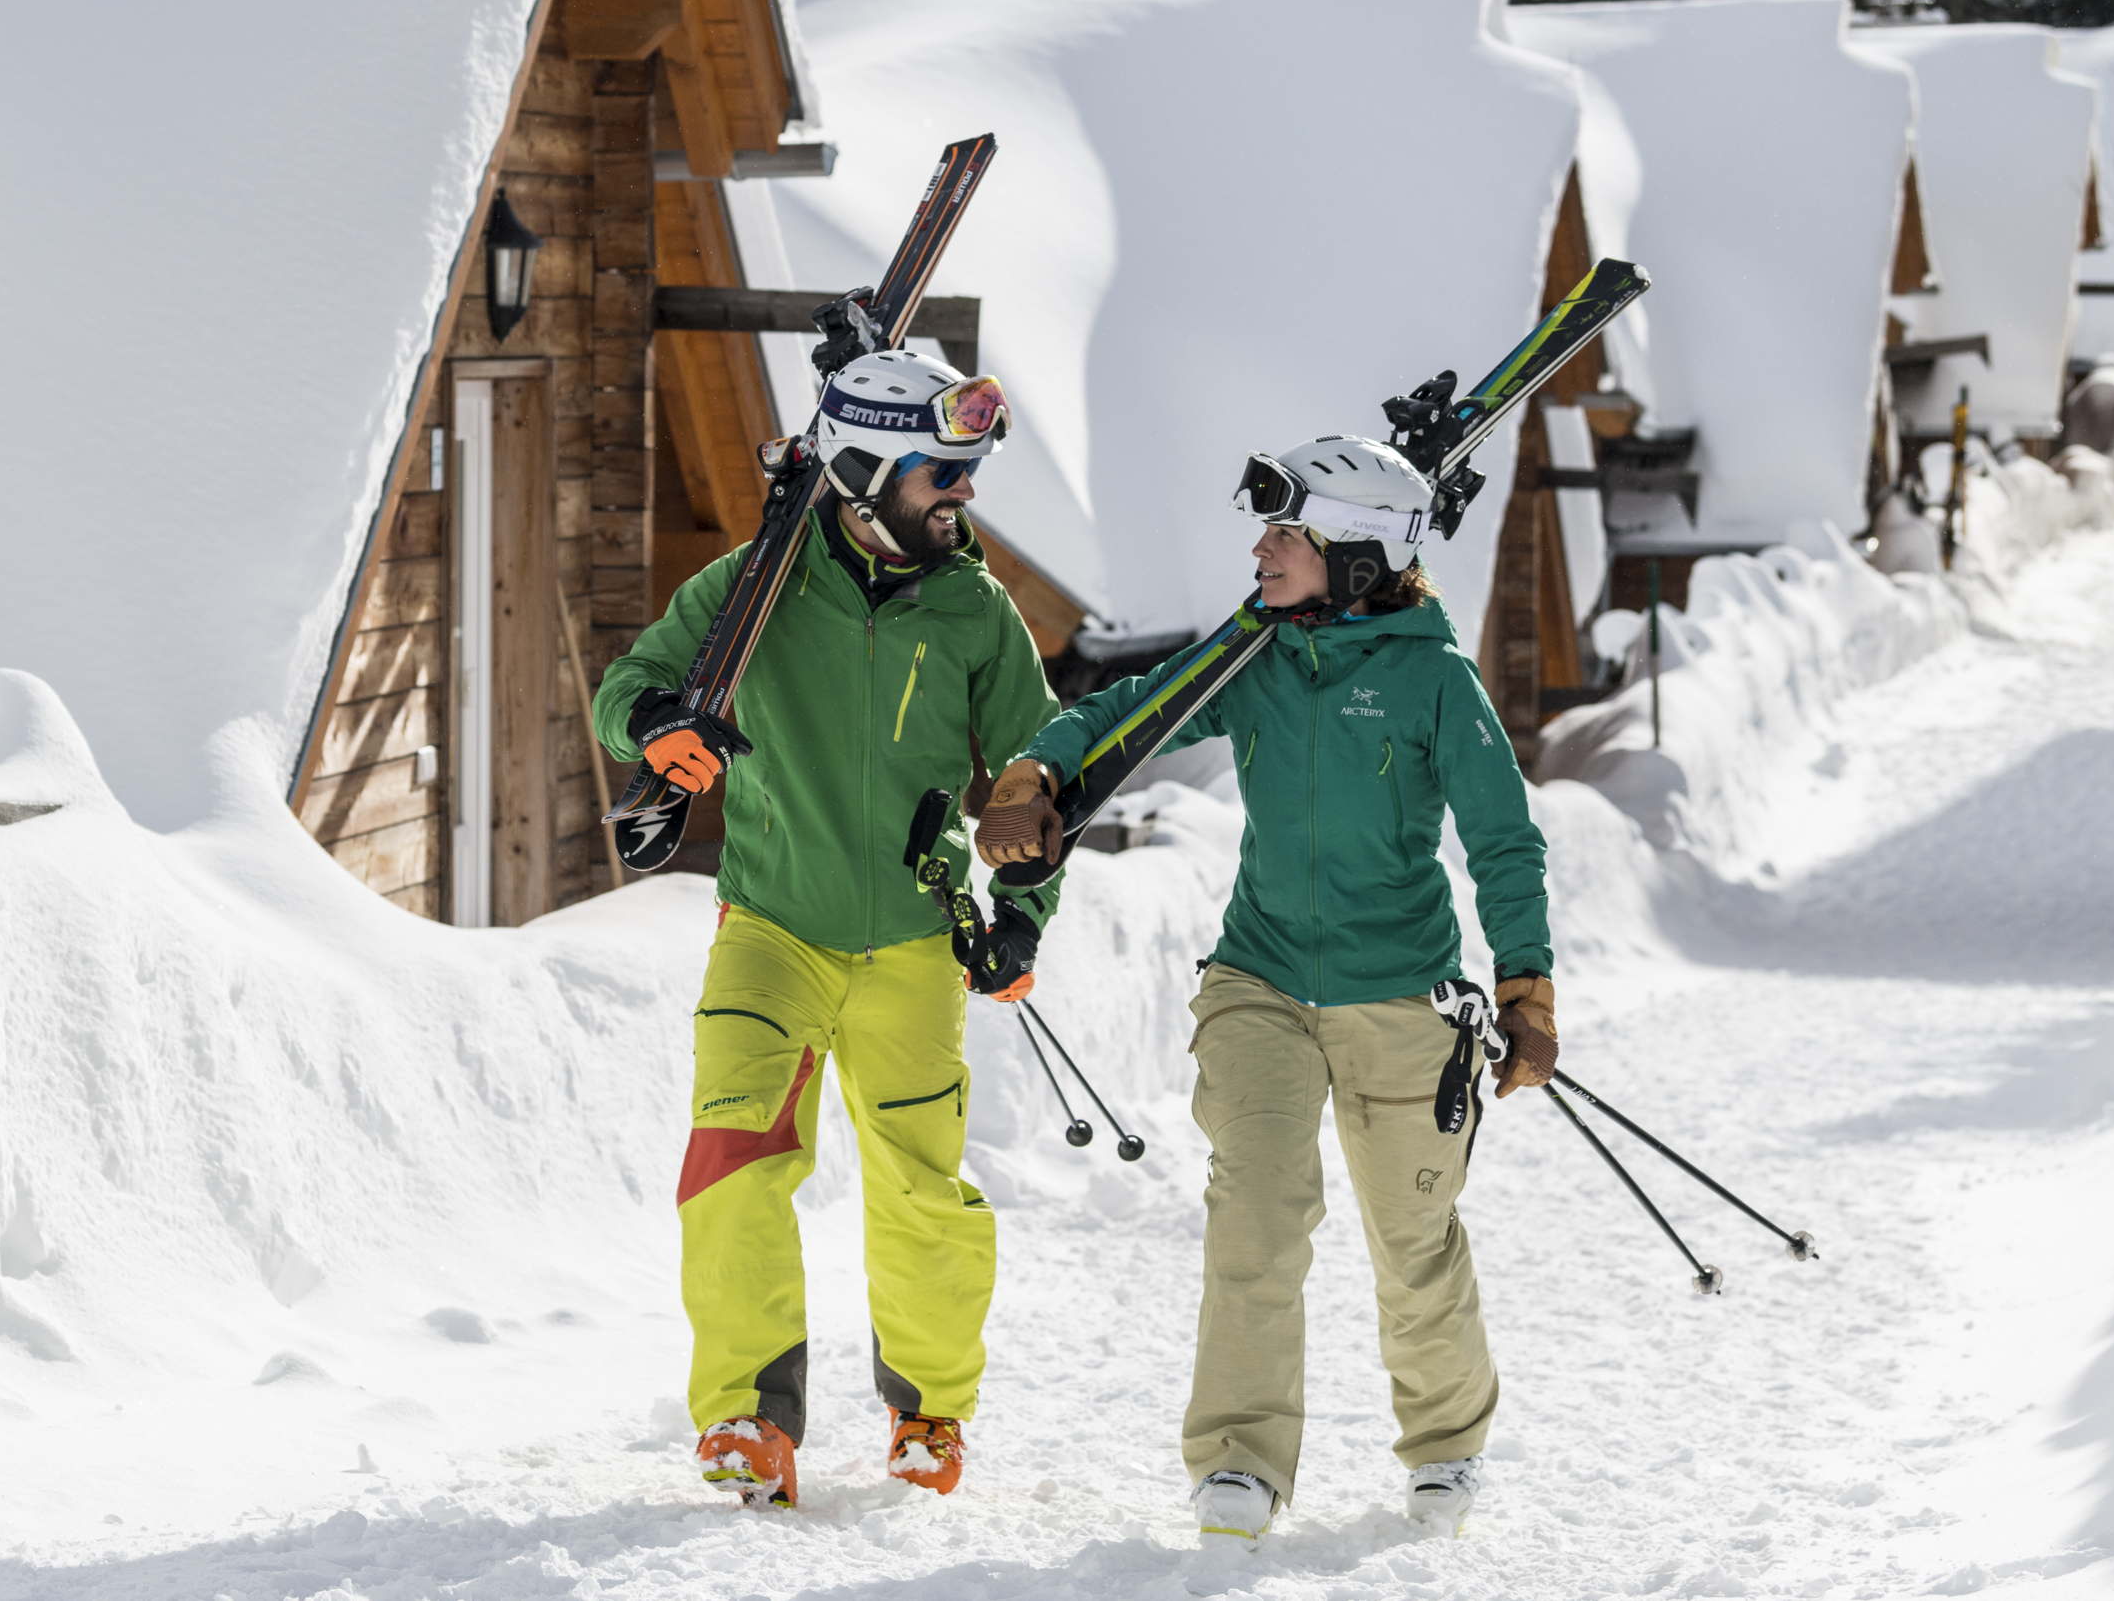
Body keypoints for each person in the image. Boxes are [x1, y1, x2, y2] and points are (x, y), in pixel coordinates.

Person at [976, 435, 1559, 1544]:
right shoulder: (1253, 660)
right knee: (1255, 1216)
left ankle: (1445, 1446)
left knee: (1412, 1234)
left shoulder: (1436, 681)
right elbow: (1119, 713)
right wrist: (1034, 775)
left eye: (1284, 533)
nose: (1259, 549)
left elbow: (1504, 843)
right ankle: (1239, 1460)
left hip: (1405, 997)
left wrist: (1525, 990)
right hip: (1261, 980)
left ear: (1353, 552)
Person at [593, 348, 1062, 1510]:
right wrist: (659, 725)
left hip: (912, 940)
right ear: (860, 473)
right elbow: (626, 690)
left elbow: (1039, 780)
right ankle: (750, 1420)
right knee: (731, 1160)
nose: (962, 494)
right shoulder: (755, 586)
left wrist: (1020, 920)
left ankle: (930, 1417)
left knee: (920, 1186)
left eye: (967, 473)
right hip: (773, 926)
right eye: (938, 474)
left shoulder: (975, 609)